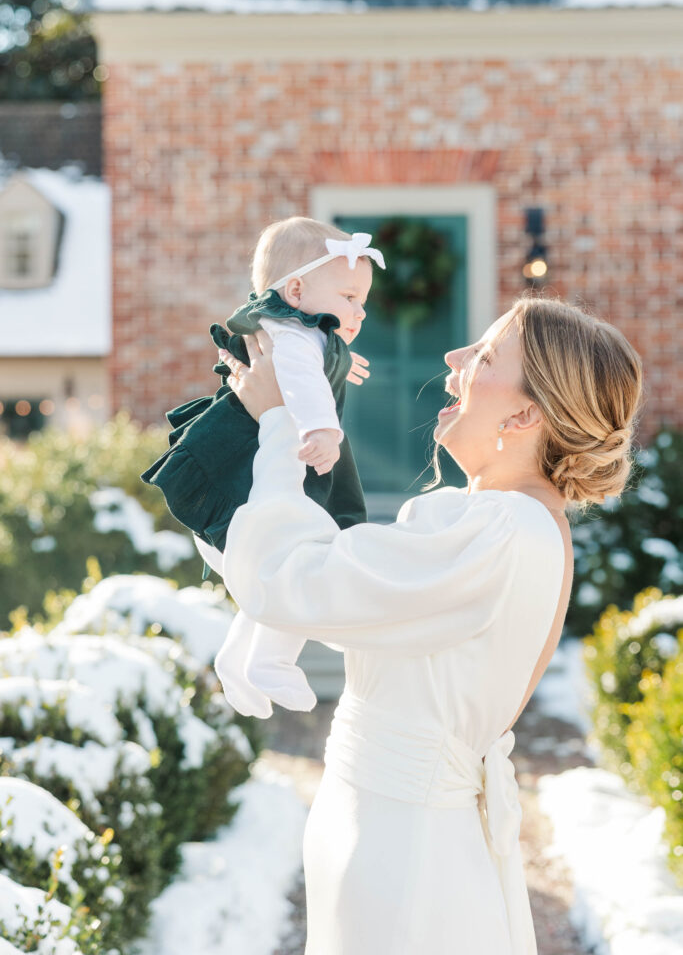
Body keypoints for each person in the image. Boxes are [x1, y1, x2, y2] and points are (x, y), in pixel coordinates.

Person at [195, 295, 643, 955]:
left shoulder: (498, 531)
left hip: (403, 860)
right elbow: (336, 588)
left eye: (485, 356)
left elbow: (290, 583)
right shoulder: (506, 524)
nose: (453, 360)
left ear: (524, 413)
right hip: (389, 837)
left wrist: (275, 423)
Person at [141, 217, 384, 717]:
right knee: (302, 555)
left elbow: (313, 364)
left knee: (286, 561)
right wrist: (322, 429)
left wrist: (340, 360)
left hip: (251, 465)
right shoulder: (291, 335)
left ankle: (238, 658)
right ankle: (270, 660)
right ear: (296, 289)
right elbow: (297, 377)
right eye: (349, 297)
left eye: (361, 300)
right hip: (264, 462)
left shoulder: (296, 327)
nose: (359, 311)